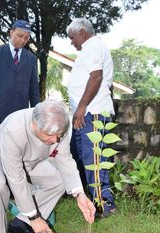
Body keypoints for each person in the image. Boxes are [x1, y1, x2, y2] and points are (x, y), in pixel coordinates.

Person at [0, 100, 96, 233]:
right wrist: (35, 217)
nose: (55, 141)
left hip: (29, 160)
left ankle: (22, 222)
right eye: (50, 136)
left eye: (59, 136)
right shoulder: (14, 128)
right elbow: (16, 178)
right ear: (35, 125)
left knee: (59, 181)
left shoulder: (60, 126)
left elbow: (65, 160)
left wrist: (79, 194)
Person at [66, 18, 116, 218]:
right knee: (80, 157)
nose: (71, 42)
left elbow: (96, 77)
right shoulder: (88, 49)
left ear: (82, 33)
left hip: (91, 113)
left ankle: (105, 206)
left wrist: (82, 107)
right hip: (85, 113)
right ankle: (87, 198)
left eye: (72, 37)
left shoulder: (94, 46)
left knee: (94, 160)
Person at [0, 20, 40, 136]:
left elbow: (34, 88)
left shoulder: (31, 59)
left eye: (26, 38)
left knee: (17, 148)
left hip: (21, 113)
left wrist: (37, 111)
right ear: (11, 33)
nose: (23, 40)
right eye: (20, 36)